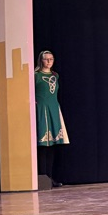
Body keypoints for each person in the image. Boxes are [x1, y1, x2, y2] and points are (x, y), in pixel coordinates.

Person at [34, 50, 69, 188]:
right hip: (42, 110)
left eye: (51, 59)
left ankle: (50, 177)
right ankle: (43, 178)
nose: (48, 61)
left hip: (53, 109)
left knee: (53, 145)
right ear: (41, 60)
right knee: (43, 145)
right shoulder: (35, 76)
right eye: (46, 59)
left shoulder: (55, 76)